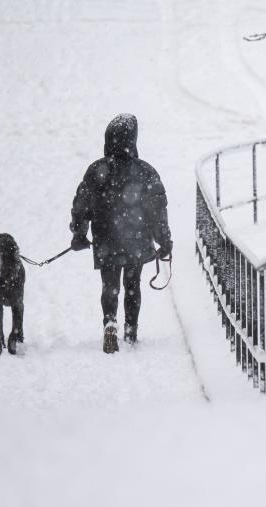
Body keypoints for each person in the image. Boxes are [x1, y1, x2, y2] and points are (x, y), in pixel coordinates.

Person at [69, 114, 172, 354]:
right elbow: (158, 210)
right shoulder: (146, 171)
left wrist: (79, 234)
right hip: (137, 239)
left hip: (106, 239)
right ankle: (131, 329)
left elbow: (81, 206)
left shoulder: (97, 170)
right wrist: (164, 240)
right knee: (133, 284)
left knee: (110, 285)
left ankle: (110, 322)